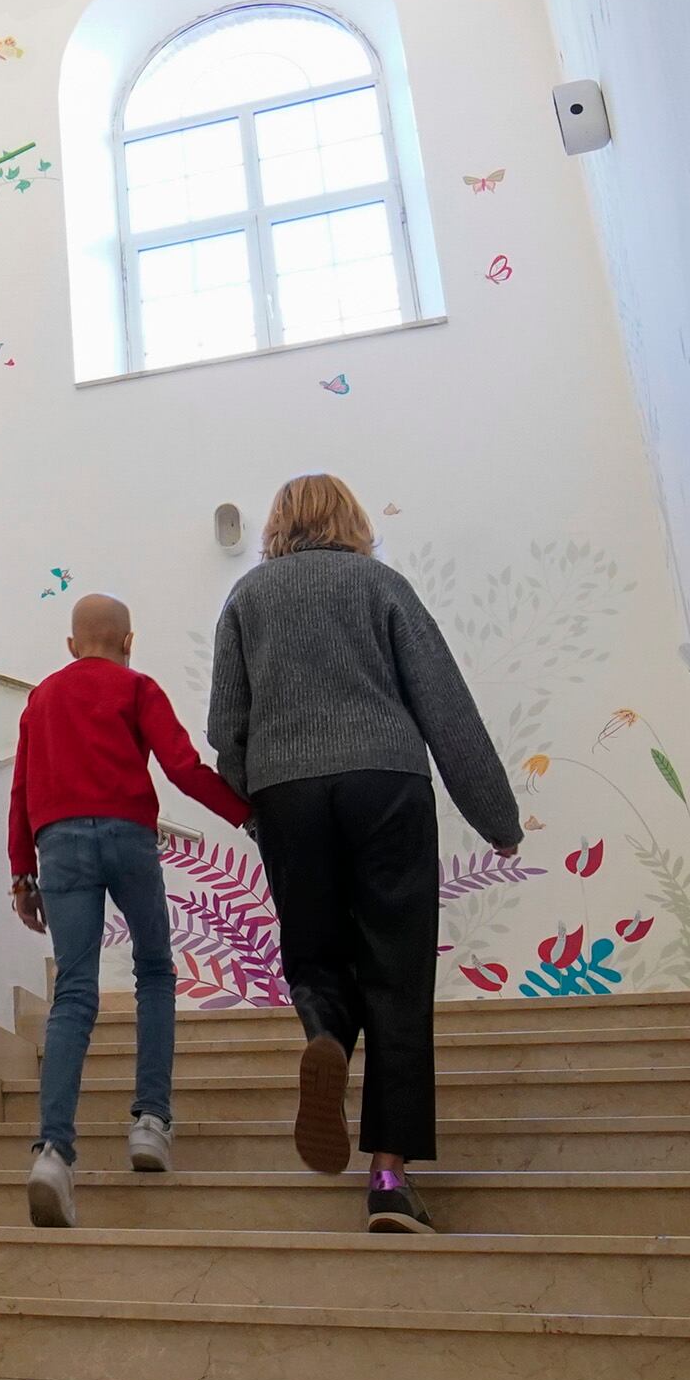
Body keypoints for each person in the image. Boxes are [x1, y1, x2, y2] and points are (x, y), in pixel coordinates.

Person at [207, 474, 521, 1235]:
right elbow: (444, 704)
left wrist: (259, 812)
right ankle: (387, 1176)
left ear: (276, 526)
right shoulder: (382, 585)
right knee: (397, 972)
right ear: (352, 520)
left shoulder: (247, 600)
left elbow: (226, 726)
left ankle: (323, 1033)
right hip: (386, 781)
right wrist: (496, 816)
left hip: (288, 790)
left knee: (316, 953)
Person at [8, 592, 252, 1228]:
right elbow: (181, 766)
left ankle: (53, 1153)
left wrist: (19, 872)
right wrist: (247, 814)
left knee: (75, 993)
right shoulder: (138, 687)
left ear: (70, 645)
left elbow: (23, 787)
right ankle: (150, 1122)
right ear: (128, 640)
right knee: (154, 972)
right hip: (128, 838)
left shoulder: (41, 699)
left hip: (58, 844)